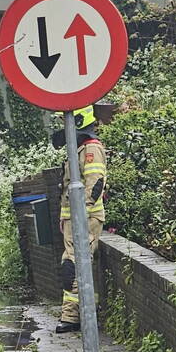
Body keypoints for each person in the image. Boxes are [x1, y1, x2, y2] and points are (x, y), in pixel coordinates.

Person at [53, 106, 107, 334]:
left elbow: (95, 183)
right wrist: (65, 217)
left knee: (73, 266)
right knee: (74, 266)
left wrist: (79, 213)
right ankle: (81, 312)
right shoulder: (79, 148)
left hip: (85, 219)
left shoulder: (91, 148)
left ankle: (74, 316)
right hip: (74, 220)